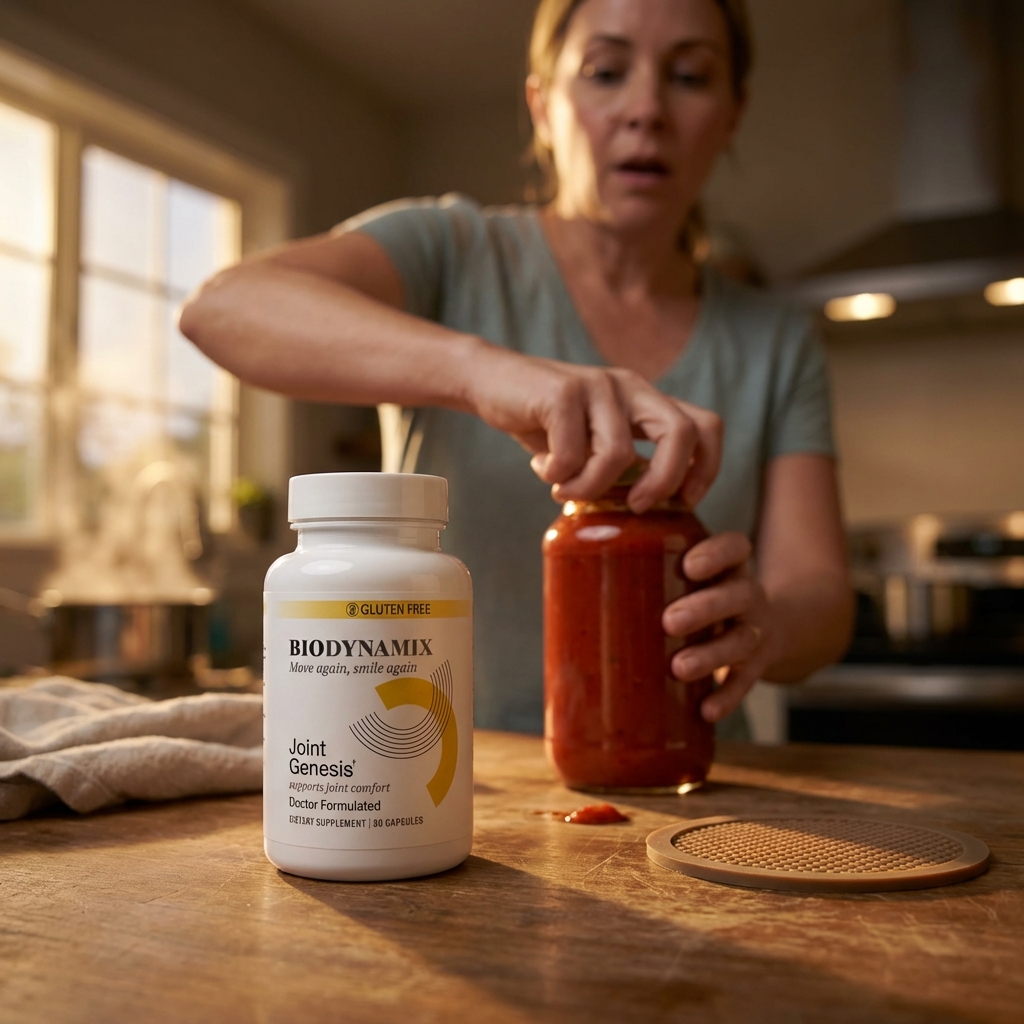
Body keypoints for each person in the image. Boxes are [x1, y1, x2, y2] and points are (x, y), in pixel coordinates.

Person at [180, 0, 853, 736]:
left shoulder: (776, 341)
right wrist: (478, 370)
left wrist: (770, 624)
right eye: (605, 71)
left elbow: (819, 594)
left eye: (690, 76)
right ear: (543, 105)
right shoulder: (451, 250)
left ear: (732, 114)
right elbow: (223, 307)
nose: (646, 108)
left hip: (697, 778)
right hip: (445, 773)